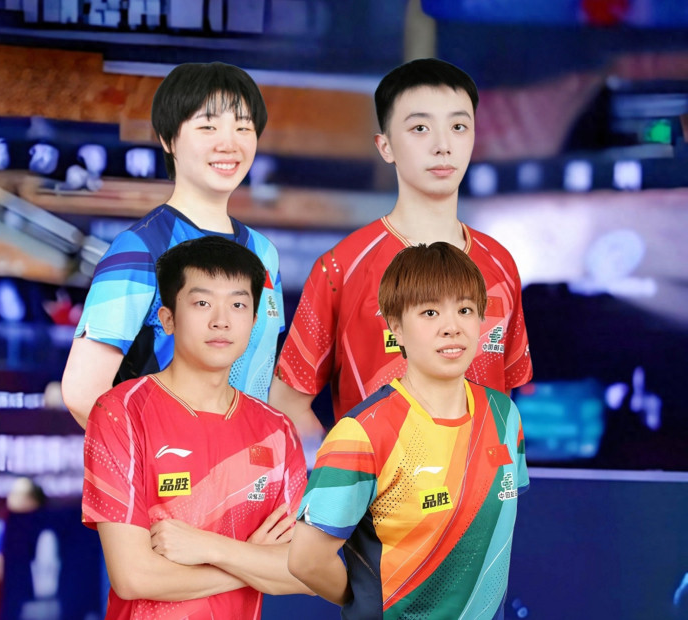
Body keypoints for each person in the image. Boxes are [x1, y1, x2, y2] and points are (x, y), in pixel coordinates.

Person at [270, 58, 532, 440]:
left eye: (458, 127)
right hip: (378, 481)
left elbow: (506, 395)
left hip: (481, 480)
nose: (443, 146)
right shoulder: (342, 266)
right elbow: (287, 404)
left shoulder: (500, 263)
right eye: (420, 128)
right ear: (386, 146)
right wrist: (345, 470)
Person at [287, 242, 529, 618]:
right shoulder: (362, 433)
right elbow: (307, 561)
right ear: (396, 328)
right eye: (430, 312)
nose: (452, 327)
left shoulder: (505, 415)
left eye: (465, 310)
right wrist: (376, 603)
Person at [82, 236, 309, 619]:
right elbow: (133, 577)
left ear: (254, 321)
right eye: (202, 303)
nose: (221, 320)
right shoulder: (121, 411)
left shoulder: (278, 430)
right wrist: (254, 561)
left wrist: (210, 548)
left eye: (238, 304)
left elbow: (306, 571)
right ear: (168, 319)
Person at [63, 62, 284, 429]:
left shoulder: (264, 253)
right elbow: (83, 393)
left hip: (249, 459)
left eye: (243, 127)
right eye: (208, 126)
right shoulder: (140, 248)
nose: (229, 143)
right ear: (168, 139)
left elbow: (263, 375)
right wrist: (165, 455)